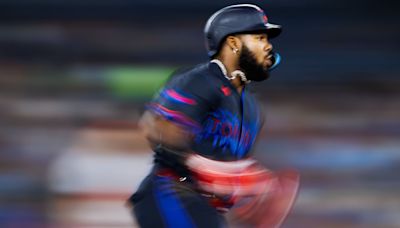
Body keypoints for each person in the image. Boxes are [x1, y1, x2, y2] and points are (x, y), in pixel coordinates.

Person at [128, 4, 299, 228]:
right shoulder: (200, 80)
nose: (268, 47)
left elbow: (228, 171)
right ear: (234, 43)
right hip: (172, 192)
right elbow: (156, 125)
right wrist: (205, 169)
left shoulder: (253, 109)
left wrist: (255, 185)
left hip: (207, 210)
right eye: (260, 38)